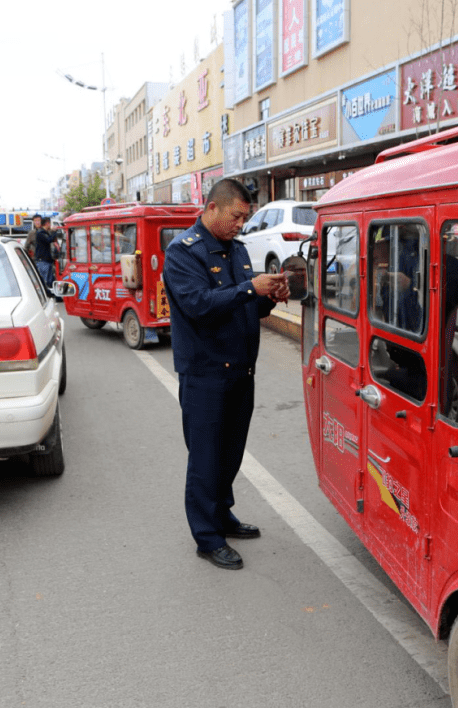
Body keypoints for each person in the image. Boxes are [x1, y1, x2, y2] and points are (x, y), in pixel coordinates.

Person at [162, 179, 289, 571]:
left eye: (245, 217)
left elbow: (244, 307)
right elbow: (200, 305)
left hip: (240, 372)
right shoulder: (183, 253)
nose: (240, 224)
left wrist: (268, 298)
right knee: (206, 457)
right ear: (212, 209)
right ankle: (207, 536)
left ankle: (223, 514)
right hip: (206, 375)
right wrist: (251, 289)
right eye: (236, 216)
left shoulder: (238, 251)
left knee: (231, 452)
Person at [33, 218, 56, 292]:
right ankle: (49, 296)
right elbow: (49, 240)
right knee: (46, 281)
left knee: (51, 280)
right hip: (43, 260)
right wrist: (54, 232)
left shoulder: (44, 232)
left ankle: (55, 296)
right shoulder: (41, 233)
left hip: (46, 260)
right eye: (50, 223)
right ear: (47, 223)